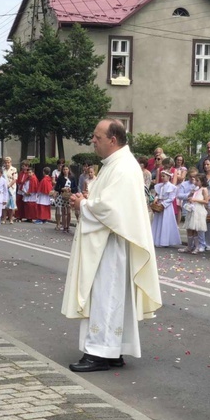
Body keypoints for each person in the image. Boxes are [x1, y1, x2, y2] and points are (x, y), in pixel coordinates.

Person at [63, 119, 162, 373]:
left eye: (97, 137)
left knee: (106, 296)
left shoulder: (123, 167)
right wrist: (86, 199)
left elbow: (110, 209)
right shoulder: (114, 164)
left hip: (112, 244)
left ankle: (99, 352)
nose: (93, 141)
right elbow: (105, 200)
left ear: (113, 140)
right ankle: (113, 349)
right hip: (110, 241)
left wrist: (82, 205)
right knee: (112, 296)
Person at [180, 173, 208, 254]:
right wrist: (190, 197)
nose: (195, 182)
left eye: (197, 180)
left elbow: (206, 201)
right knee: (189, 228)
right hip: (192, 210)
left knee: (195, 229)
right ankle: (189, 246)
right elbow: (192, 197)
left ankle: (197, 247)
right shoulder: (195, 189)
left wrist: (195, 200)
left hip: (198, 210)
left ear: (202, 181)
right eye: (195, 180)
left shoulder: (204, 189)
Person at [151, 170, 181, 247]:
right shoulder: (160, 186)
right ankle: (157, 239)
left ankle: (165, 241)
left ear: (168, 177)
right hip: (159, 204)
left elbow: (171, 198)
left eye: (164, 176)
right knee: (159, 222)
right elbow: (158, 195)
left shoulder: (172, 187)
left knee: (166, 222)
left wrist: (163, 204)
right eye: (162, 176)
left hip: (166, 207)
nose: (162, 178)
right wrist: (156, 199)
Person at [54, 165, 78, 233]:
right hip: (62, 196)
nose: (65, 170)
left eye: (66, 169)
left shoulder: (72, 178)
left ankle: (68, 226)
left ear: (69, 170)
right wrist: (62, 189)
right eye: (64, 169)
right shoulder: (60, 178)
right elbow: (56, 188)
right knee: (64, 212)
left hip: (70, 196)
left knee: (69, 212)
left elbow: (75, 188)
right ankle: (64, 226)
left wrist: (71, 189)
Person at [2, 157, 18, 224]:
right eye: (6, 162)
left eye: (8, 162)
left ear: (10, 162)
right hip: (4, 189)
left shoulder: (14, 169)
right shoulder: (2, 169)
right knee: (4, 204)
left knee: (11, 205)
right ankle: (4, 219)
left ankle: (11, 219)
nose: (7, 164)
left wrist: (9, 185)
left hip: (11, 189)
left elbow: (14, 179)